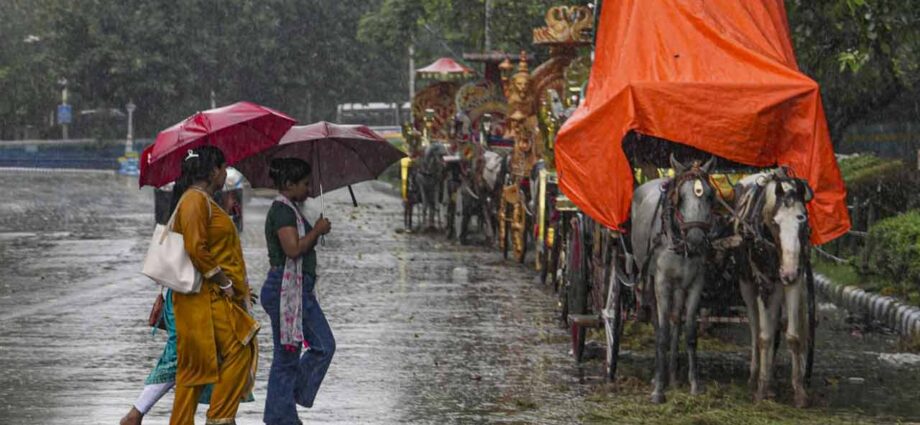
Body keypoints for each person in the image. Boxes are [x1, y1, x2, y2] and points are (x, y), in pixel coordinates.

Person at [168, 146, 259, 424]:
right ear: (213, 171)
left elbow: (214, 246)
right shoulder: (194, 200)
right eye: (224, 168)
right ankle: (220, 417)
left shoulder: (203, 201)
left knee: (194, 369)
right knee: (239, 346)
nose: (226, 174)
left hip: (207, 299)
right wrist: (225, 281)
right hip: (207, 297)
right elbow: (197, 248)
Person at [261, 157, 334, 425]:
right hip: (287, 289)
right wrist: (316, 231)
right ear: (289, 184)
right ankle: (281, 412)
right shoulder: (282, 211)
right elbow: (292, 249)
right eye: (304, 184)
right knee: (307, 350)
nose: (308, 189)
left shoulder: (291, 208)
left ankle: (280, 406)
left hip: (296, 289)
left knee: (300, 352)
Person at [119, 287, 255, 425]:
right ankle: (135, 414)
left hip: (199, 296)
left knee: (204, 356)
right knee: (182, 356)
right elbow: (203, 266)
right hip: (192, 297)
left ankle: (136, 414)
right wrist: (228, 286)